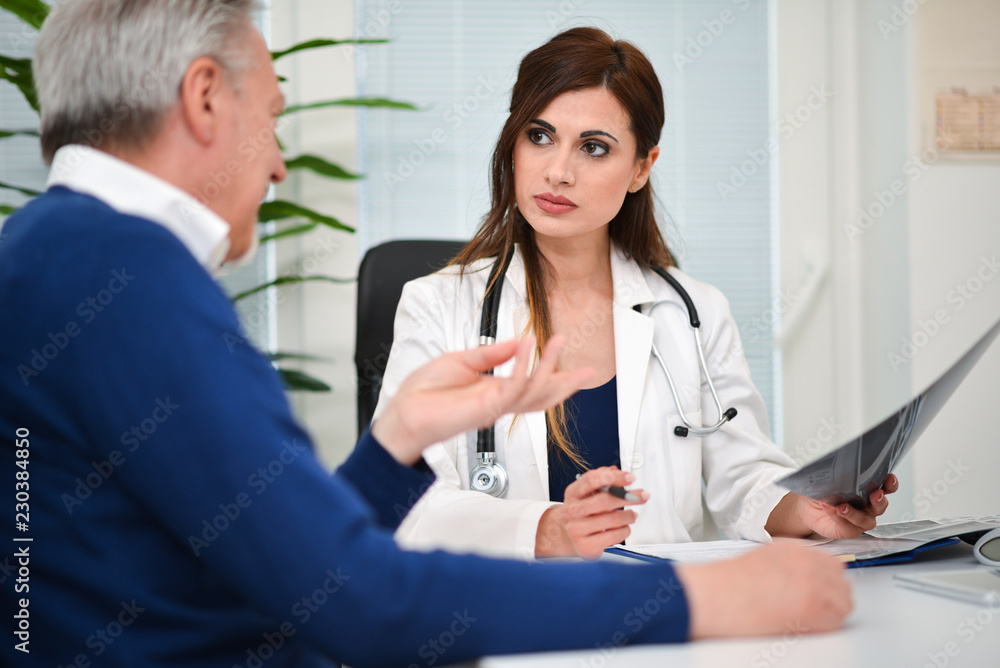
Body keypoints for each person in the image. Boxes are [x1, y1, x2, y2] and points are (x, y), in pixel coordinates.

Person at [1, 2, 853, 666]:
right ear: (204, 98)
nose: (278, 165)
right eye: (273, 114)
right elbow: (356, 598)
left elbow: (275, 552)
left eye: (594, 147)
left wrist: (394, 446)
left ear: (640, 169)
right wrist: (702, 602)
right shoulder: (125, 278)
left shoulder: (58, 253)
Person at [374, 26, 898, 560]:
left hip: (658, 615)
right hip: (509, 616)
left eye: (594, 148)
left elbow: (743, 479)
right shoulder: (437, 307)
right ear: (512, 145)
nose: (557, 171)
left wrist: (807, 510)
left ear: (641, 168)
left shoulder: (694, 313)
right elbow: (406, 500)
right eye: (539, 136)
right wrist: (550, 529)